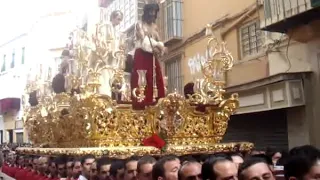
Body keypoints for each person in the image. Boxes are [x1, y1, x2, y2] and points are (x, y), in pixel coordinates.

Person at [131, 2, 167, 109]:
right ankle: (141, 105)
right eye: (150, 11)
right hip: (141, 56)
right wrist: (158, 46)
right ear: (146, 13)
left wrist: (160, 48)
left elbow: (159, 41)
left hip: (152, 57)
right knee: (141, 79)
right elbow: (144, 41)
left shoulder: (155, 27)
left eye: (154, 12)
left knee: (157, 78)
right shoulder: (139, 24)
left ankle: (157, 105)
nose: (152, 14)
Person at [97, 10, 124, 98]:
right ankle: (105, 97)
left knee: (111, 79)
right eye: (118, 19)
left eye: (120, 20)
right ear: (112, 17)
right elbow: (104, 41)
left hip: (112, 59)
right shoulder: (106, 26)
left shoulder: (114, 29)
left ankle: (109, 97)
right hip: (106, 57)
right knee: (105, 78)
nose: (119, 22)